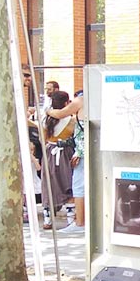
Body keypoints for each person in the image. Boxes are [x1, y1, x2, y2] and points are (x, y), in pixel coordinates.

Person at [47, 89, 86, 233]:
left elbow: (60, 113)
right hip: (95, 148)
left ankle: (80, 223)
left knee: (78, 186)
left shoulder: (82, 100)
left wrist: (47, 110)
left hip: (82, 150)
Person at [40, 90, 75, 230]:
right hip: (66, 153)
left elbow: (42, 140)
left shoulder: (45, 120)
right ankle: (70, 219)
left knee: (48, 184)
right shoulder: (71, 121)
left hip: (49, 152)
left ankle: (48, 219)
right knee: (68, 183)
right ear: (66, 103)